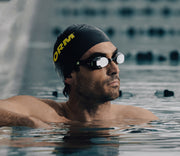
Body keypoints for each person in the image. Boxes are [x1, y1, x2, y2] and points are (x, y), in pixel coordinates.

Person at [0, 24, 158, 128]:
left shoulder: (140, 119)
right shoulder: (44, 113)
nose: (114, 69)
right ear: (69, 75)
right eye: (99, 61)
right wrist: (28, 122)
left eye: (115, 58)